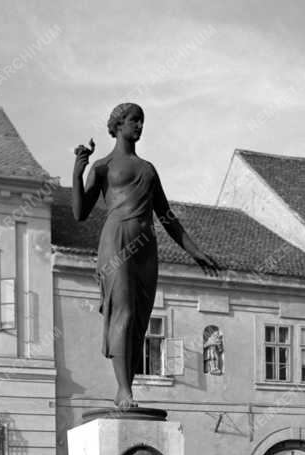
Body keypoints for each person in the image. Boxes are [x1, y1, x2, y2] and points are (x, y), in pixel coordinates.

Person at [72, 103, 221, 409]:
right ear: (118, 125)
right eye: (133, 120)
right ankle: (124, 390)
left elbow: (167, 217)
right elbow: (79, 213)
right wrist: (78, 172)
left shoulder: (148, 169)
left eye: (142, 121)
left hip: (146, 247)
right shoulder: (102, 166)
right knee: (123, 313)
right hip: (117, 241)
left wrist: (195, 252)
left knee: (139, 321)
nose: (139, 126)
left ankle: (126, 388)